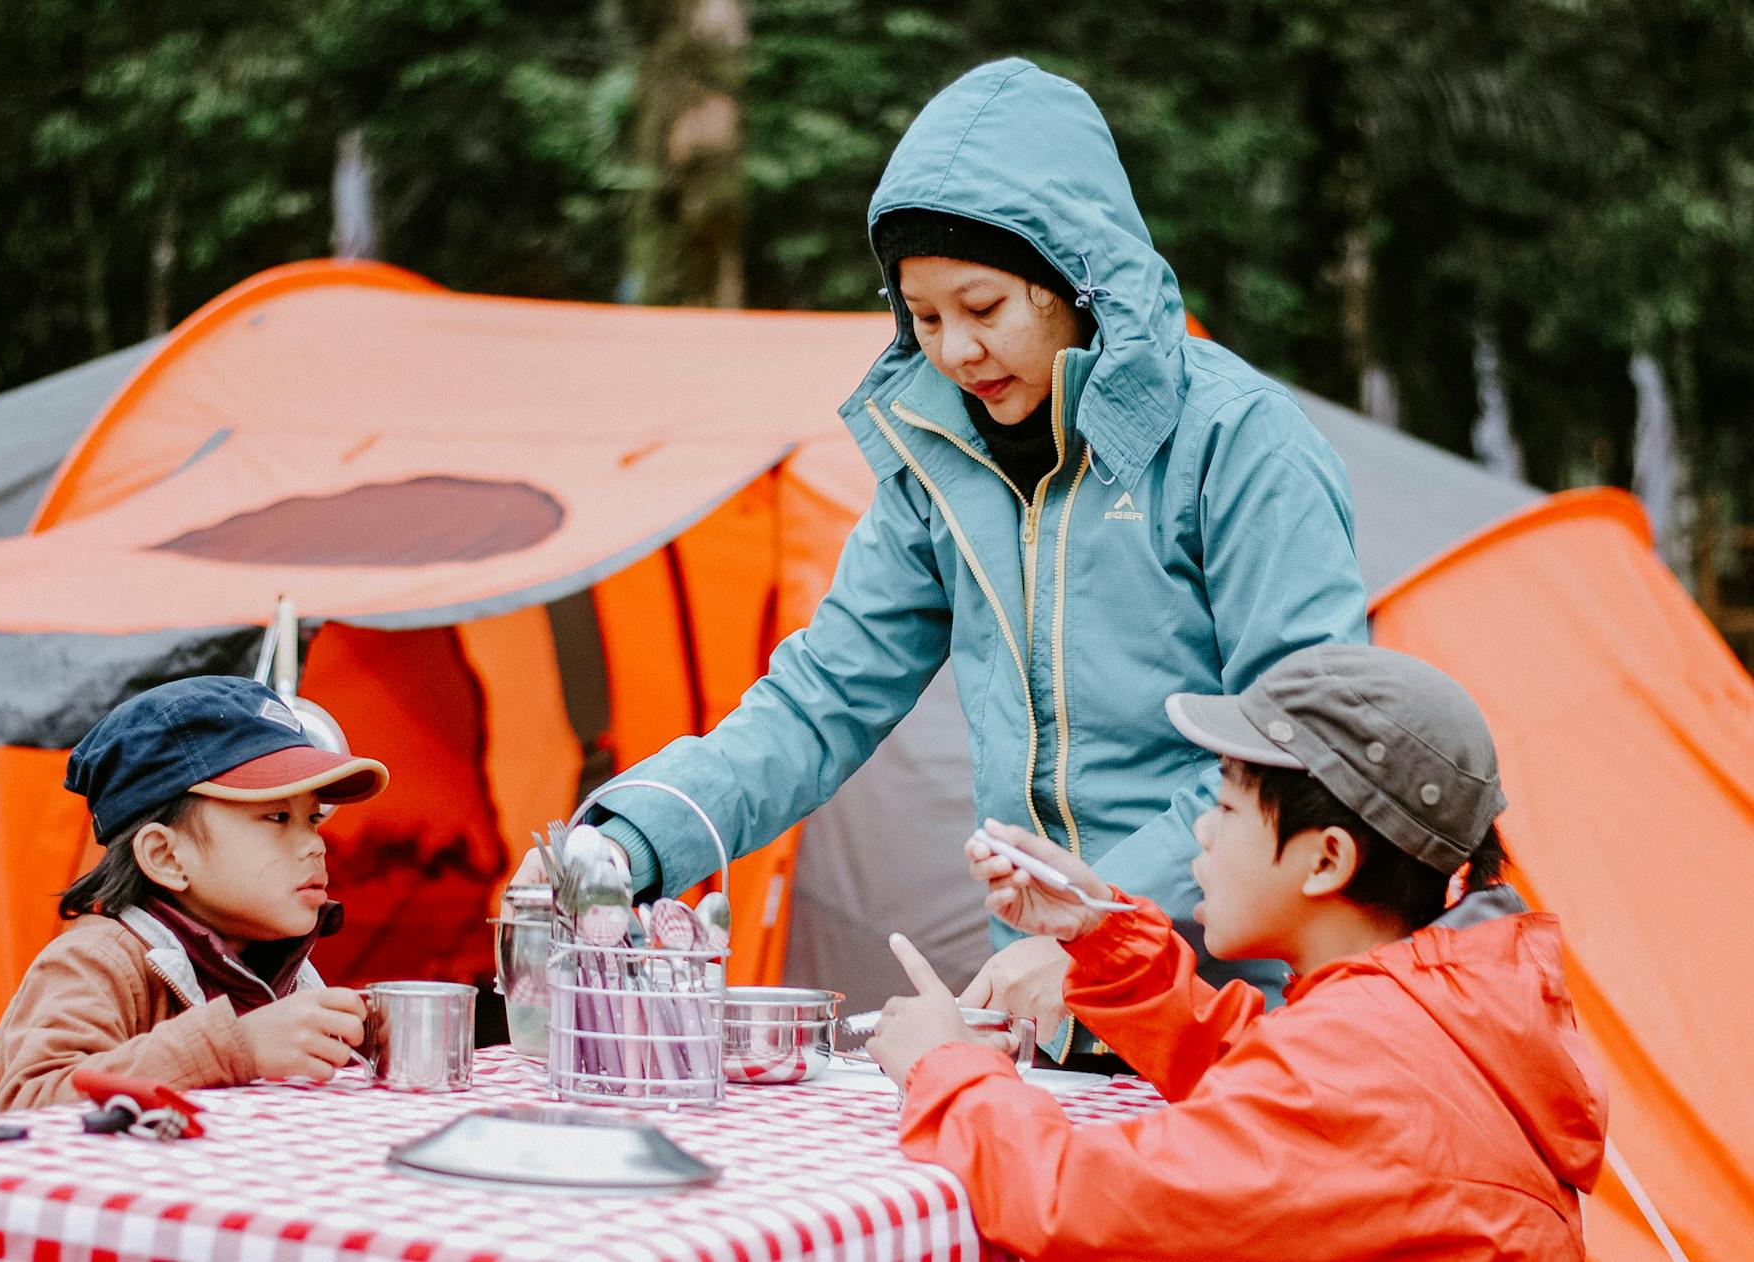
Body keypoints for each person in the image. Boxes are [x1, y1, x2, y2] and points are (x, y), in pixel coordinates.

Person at [515, 58, 1368, 1057]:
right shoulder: (940, 464)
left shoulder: (1237, 445)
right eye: (923, 318)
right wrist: (625, 839)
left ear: (1072, 282)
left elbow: (1300, 739)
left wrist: (1101, 926)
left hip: (1234, 1014)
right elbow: (820, 698)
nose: (955, 351)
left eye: (982, 306)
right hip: (1046, 1015)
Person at [867, 643, 1609, 1259]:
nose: (1201, 832)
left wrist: (945, 1067)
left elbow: (1079, 1204)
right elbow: (1265, 1085)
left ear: (1326, 860)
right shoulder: (1433, 1013)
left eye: (1225, 807)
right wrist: (1100, 937)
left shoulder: (1358, 1067)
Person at [0, 677, 390, 1112]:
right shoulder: (96, 961)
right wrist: (237, 1045)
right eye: (277, 817)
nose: (314, 845)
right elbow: (28, 1102)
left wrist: (365, 1041)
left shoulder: (276, 960)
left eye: (313, 819)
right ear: (166, 857)